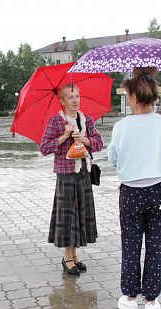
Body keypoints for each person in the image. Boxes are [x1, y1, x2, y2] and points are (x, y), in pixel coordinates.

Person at [107, 67, 161, 309]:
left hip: (131, 193)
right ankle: (152, 302)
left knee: (131, 246)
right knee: (156, 247)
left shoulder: (122, 127)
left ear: (133, 96)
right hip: (160, 192)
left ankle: (131, 299)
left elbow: (114, 158)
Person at [40, 83, 103, 276]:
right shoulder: (56, 122)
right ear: (62, 100)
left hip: (83, 173)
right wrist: (65, 135)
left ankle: (73, 256)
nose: (75, 100)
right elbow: (44, 148)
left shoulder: (87, 120)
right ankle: (67, 258)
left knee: (80, 216)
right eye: (70, 97)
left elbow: (99, 143)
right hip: (66, 175)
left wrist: (84, 140)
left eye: (77, 96)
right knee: (69, 217)